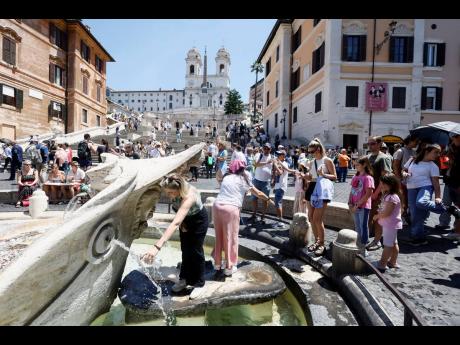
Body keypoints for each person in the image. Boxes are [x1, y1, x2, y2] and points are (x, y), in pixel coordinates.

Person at [142, 174, 208, 298]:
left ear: (179, 189)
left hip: (198, 221)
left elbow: (175, 222)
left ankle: (199, 284)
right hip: (185, 220)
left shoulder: (189, 196)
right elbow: (179, 213)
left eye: (171, 192)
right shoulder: (174, 186)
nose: (169, 195)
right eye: (167, 192)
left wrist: (157, 247)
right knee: (185, 249)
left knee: (196, 251)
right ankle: (184, 279)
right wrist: (183, 223)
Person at [212, 160, 275, 280]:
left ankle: (217, 264)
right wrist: (268, 199)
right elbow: (258, 193)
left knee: (219, 236)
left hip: (217, 206)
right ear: (243, 169)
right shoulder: (244, 179)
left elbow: (220, 180)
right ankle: (229, 268)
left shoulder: (227, 177)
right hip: (231, 209)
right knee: (231, 238)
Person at [403, 144, 451, 246]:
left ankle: (446, 209)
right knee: (415, 215)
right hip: (411, 188)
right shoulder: (412, 160)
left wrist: (438, 197)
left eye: (439, 152)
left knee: (421, 202)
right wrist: (404, 174)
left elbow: (436, 184)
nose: (438, 155)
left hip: (425, 187)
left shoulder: (433, 166)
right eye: (436, 152)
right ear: (426, 151)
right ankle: (418, 238)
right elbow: (404, 170)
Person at [304, 138, 337, 256]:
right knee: (311, 218)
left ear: (318, 149)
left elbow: (334, 176)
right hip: (311, 187)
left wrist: (323, 174)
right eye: (309, 152)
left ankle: (322, 243)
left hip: (322, 189)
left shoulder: (327, 160)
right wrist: (305, 175)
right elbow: (310, 177)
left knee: (317, 218)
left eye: (312, 152)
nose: (311, 154)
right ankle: (317, 241)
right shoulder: (312, 162)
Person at [366, 136, 393, 251]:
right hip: (368, 193)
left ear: (379, 144)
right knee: (368, 216)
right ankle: (366, 238)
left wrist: (376, 193)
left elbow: (385, 178)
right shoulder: (368, 157)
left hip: (378, 193)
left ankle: (377, 241)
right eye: (369, 144)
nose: (370, 146)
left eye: (372, 143)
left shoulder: (384, 158)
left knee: (378, 218)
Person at [372, 174, 403, 272]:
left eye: (384, 184)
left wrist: (377, 216)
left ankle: (382, 264)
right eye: (381, 183)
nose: (382, 185)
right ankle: (393, 262)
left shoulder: (391, 197)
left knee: (388, 245)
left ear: (391, 184)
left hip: (390, 224)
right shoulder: (389, 195)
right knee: (393, 243)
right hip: (391, 223)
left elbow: (387, 213)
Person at [348, 156, 375, 256]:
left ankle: (363, 247)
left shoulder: (368, 178)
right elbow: (352, 191)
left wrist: (357, 204)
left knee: (363, 227)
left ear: (364, 165)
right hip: (355, 205)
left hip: (363, 206)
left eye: (358, 165)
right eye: (355, 165)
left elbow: (368, 194)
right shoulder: (355, 177)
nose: (355, 166)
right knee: (357, 226)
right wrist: (349, 202)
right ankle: (358, 244)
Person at [393, 134, 418, 224]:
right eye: (416, 141)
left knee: (408, 199)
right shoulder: (400, 151)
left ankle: (406, 216)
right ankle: (401, 217)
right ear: (410, 141)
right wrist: (399, 178)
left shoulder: (414, 152)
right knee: (402, 198)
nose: (417, 143)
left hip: (410, 179)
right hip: (402, 179)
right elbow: (395, 165)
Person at [249, 143, 274, 224]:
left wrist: (274, 179)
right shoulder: (258, 155)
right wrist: (266, 162)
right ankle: (254, 214)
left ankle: (263, 217)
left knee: (265, 200)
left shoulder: (273, 157)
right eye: (265, 148)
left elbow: (274, 169)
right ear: (263, 148)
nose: (266, 150)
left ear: (270, 149)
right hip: (256, 180)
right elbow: (255, 164)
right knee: (254, 199)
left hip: (266, 181)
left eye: (268, 148)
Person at [272, 150, 297, 228]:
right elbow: (277, 174)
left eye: (279, 154)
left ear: (283, 156)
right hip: (278, 185)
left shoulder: (284, 164)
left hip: (281, 186)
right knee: (278, 203)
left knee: (278, 203)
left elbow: (279, 172)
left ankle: (280, 221)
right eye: (278, 154)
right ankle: (279, 220)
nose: (278, 155)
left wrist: (275, 163)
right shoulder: (280, 163)